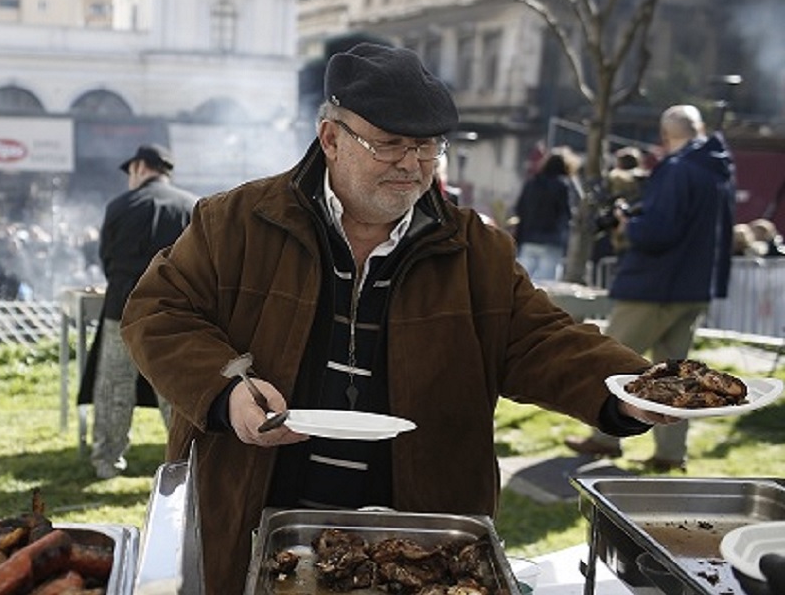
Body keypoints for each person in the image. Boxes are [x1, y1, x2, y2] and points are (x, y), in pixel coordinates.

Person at [120, 43, 676, 590]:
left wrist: (627, 389)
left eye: (427, 146)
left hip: (418, 538)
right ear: (331, 139)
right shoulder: (236, 222)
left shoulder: (476, 249)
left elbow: (540, 340)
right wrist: (227, 391)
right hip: (253, 521)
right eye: (388, 145)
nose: (411, 165)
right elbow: (158, 312)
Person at [566, 104, 735, 473]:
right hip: (692, 287)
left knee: (611, 363)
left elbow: (659, 232)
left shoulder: (676, 169)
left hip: (656, 285)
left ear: (664, 135)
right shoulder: (717, 169)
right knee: (682, 377)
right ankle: (671, 454)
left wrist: (629, 224)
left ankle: (604, 438)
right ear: (700, 128)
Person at [88, 143, 198, 479]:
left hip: (122, 307)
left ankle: (107, 461)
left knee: (114, 387)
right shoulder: (191, 205)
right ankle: (185, 460)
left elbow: (107, 258)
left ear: (139, 167)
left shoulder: (120, 205)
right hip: (174, 310)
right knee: (175, 388)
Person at [512, 147, 576, 282]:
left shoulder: (532, 183)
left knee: (522, 282)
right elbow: (566, 214)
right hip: (551, 240)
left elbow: (519, 208)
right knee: (546, 284)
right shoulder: (563, 185)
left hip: (528, 238)